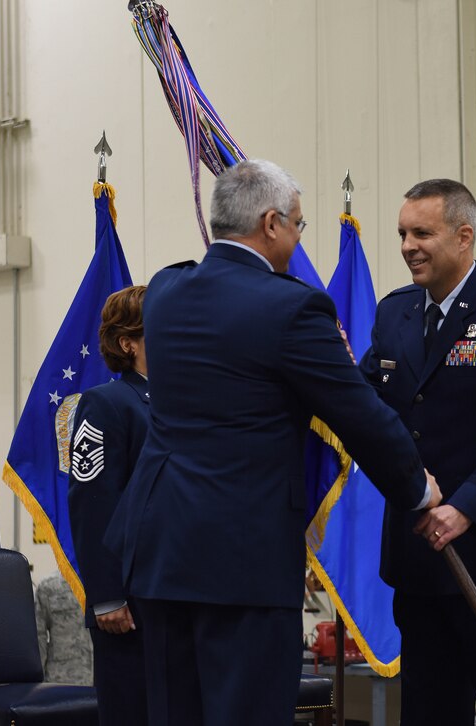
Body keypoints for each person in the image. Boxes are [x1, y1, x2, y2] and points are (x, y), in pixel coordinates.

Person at [105, 159, 440, 726]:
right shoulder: (293, 308)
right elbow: (359, 417)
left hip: (161, 551)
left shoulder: (165, 290)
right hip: (242, 559)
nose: (298, 237)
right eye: (299, 226)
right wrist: (417, 489)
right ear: (270, 224)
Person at [359, 178, 476, 726]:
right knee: (429, 713)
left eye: (422, 232)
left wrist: (465, 506)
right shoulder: (393, 312)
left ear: (463, 236)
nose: (407, 246)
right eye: (401, 233)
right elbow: (369, 407)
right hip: (418, 555)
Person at [67, 284, 150, 726]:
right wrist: (106, 597)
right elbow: (92, 504)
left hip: (174, 598)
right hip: (129, 606)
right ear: (128, 342)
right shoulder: (108, 404)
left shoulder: (179, 404)